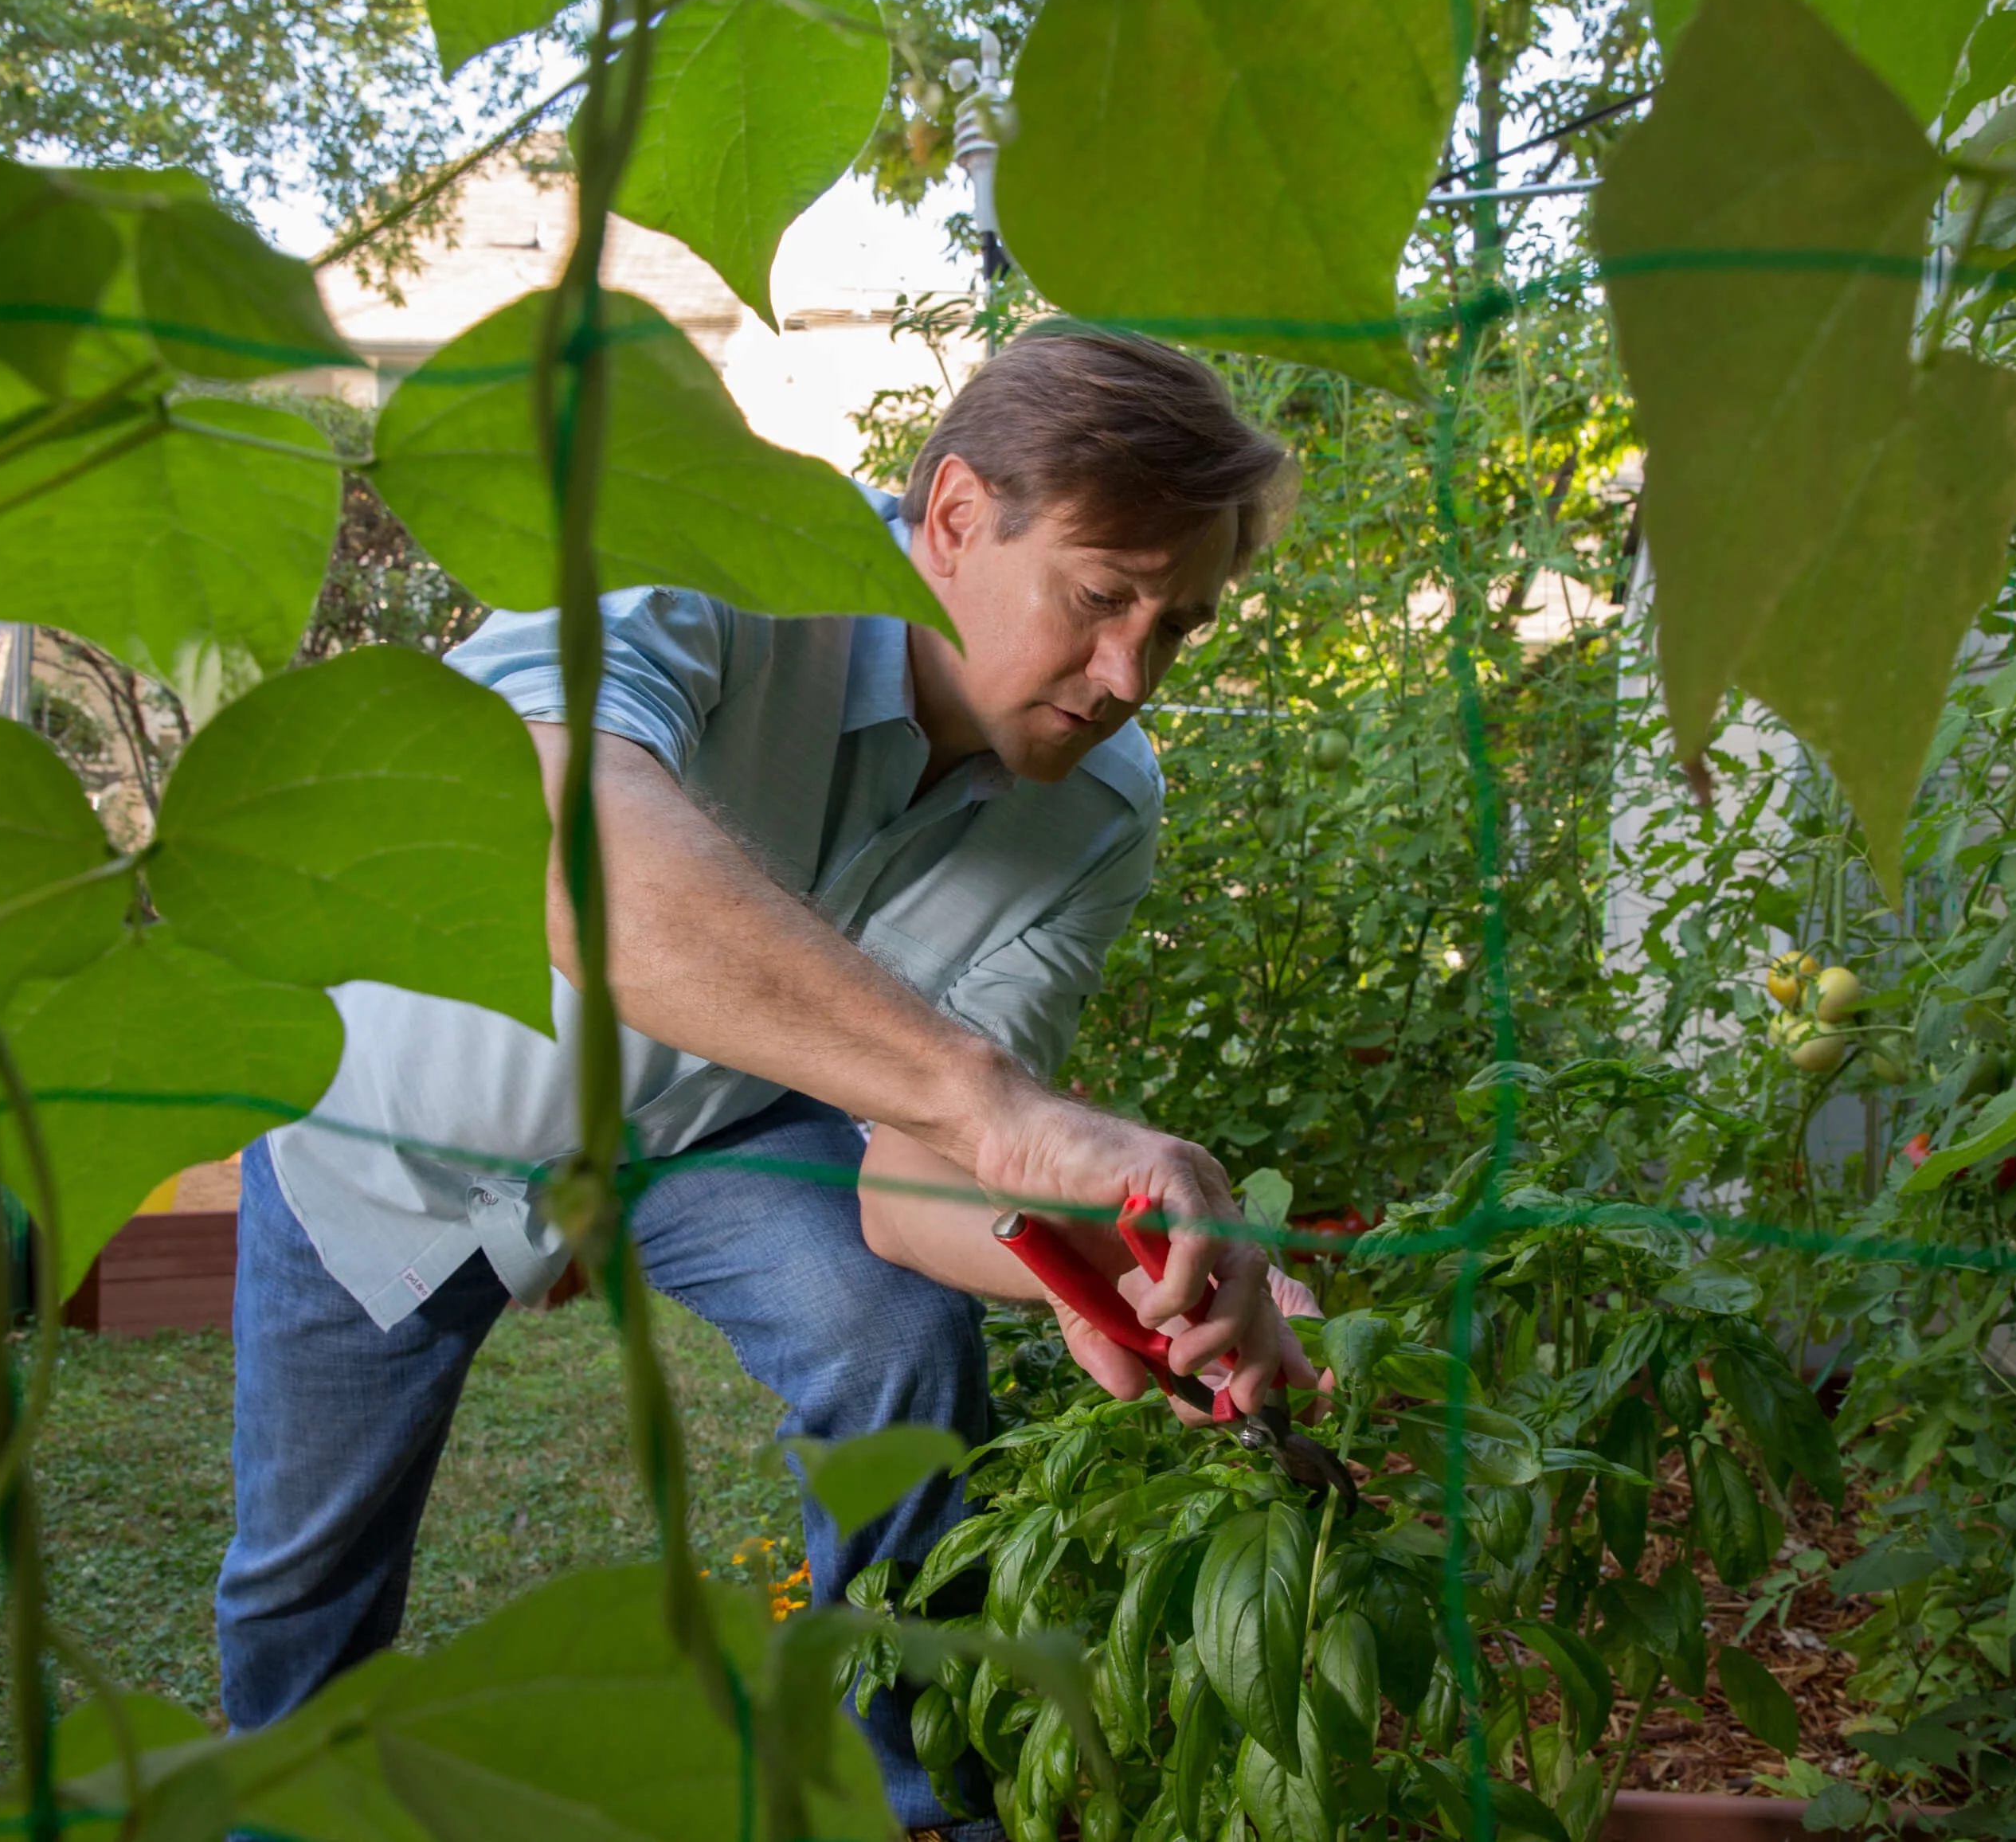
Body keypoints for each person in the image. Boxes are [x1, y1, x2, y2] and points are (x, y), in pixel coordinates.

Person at [213, 323, 1316, 1833]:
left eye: (1176, 626)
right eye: (1102, 596)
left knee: (900, 1339)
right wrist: (992, 1100)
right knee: (307, 1574)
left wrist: (1109, 1273)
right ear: (949, 517)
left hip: (706, 1138)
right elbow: (556, 834)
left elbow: (921, 1170)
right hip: (393, 1127)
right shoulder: (704, 555)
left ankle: (912, 1807)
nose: (1131, 672)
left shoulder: (1100, 816)